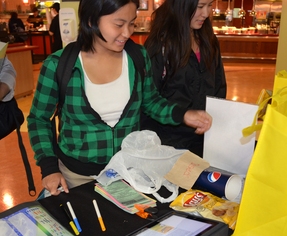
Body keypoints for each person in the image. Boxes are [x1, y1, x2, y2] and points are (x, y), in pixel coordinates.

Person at [27, 0, 212, 197]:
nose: (127, 33)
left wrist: (183, 114)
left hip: (127, 173)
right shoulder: (59, 65)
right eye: (118, 24)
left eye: (131, 23)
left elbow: (151, 102)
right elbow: (39, 119)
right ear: (91, 21)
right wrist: (49, 167)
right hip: (76, 176)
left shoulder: (137, 57)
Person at [141, 0, 227, 157]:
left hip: (205, 140)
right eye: (200, 6)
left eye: (209, 5)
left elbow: (219, 86)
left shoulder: (209, 40)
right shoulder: (160, 46)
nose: (206, 13)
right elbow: (149, 101)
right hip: (169, 145)